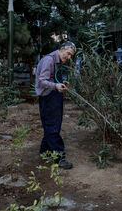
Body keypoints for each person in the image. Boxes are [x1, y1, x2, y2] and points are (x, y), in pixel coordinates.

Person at [35, 41, 76, 169]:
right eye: (68, 54)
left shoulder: (58, 61)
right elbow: (42, 81)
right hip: (48, 97)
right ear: (62, 49)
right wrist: (55, 86)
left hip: (54, 95)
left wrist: (61, 83)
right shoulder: (49, 60)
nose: (68, 57)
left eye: (71, 56)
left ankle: (44, 152)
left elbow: (52, 78)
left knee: (53, 125)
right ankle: (59, 158)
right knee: (52, 126)